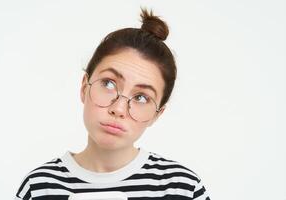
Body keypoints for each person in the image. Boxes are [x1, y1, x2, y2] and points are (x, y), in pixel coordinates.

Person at [14, 8, 211, 200]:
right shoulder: (39, 187)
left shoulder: (183, 189)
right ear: (84, 87)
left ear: (157, 114)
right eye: (108, 84)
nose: (118, 109)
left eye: (141, 97)